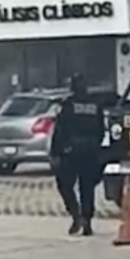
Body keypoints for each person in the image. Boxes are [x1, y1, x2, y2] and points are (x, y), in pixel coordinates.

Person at [50, 74, 104, 236]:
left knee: (64, 184)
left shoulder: (68, 105)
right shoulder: (95, 105)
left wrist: (56, 151)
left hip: (72, 151)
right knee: (87, 187)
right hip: (91, 150)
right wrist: (96, 146)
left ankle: (76, 215)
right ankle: (86, 220)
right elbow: (101, 129)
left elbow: (60, 130)